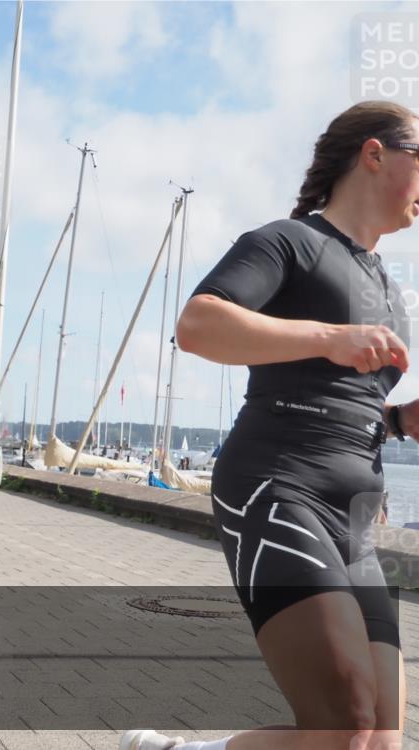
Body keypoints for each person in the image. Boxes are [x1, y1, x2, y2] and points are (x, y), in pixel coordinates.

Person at [121, 101, 418, 750]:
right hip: (278, 484)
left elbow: (349, 397)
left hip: (356, 513)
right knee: (347, 721)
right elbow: (196, 326)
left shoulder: (389, 292)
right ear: (375, 155)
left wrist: (400, 419)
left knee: (381, 741)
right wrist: (329, 336)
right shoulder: (288, 242)